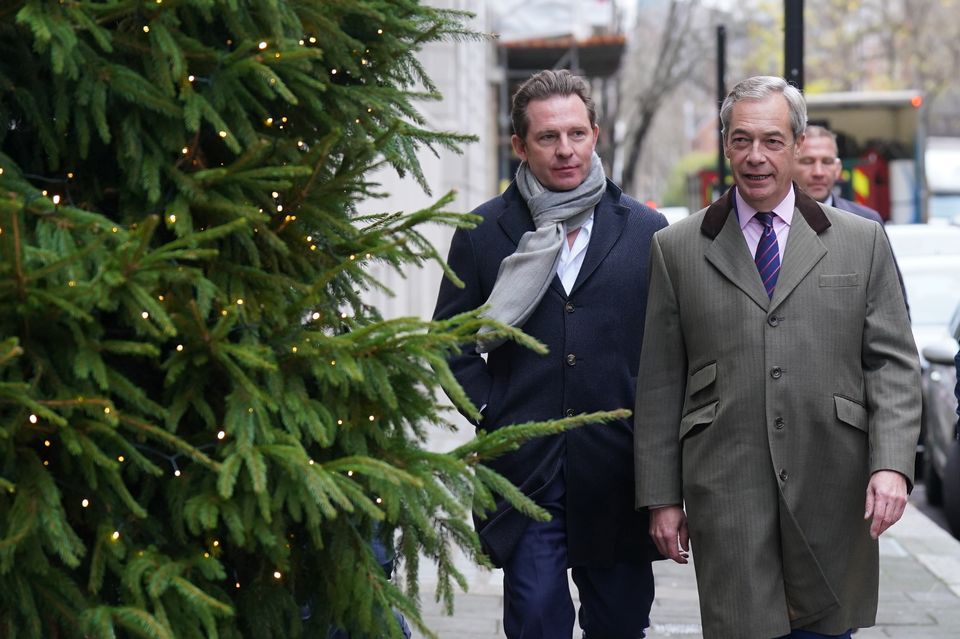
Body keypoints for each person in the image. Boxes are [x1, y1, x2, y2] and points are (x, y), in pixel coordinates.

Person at [633, 76, 921, 639]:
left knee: (825, 629)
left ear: (795, 143)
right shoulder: (678, 249)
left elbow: (892, 363)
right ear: (725, 146)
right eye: (741, 140)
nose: (756, 157)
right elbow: (661, 382)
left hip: (834, 487)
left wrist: (892, 465)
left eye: (771, 140)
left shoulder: (861, 241)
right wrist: (661, 498)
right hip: (727, 491)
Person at [433, 69, 666, 639]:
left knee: (621, 623)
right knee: (535, 619)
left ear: (596, 134)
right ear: (519, 144)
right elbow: (450, 342)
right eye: (547, 137)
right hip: (526, 472)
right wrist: (496, 411)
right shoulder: (485, 230)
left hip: (618, 472)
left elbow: (670, 350)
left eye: (576, 134)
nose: (565, 150)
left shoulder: (646, 231)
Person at [793, 124, 908, 310]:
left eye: (827, 162)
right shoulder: (773, 222)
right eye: (807, 161)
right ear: (790, 165)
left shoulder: (867, 223)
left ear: (838, 168)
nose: (818, 172)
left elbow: (894, 301)